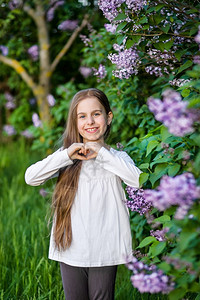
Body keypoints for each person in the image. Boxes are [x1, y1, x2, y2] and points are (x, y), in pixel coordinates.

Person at [25, 88, 142, 300]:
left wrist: (103, 154)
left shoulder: (117, 157)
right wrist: (65, 155)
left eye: (96, 114)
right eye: (82, 116)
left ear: (108, 118)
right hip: (71, 247)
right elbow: (31, 178)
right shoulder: (67, 156)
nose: (90, 121)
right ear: (75, 121)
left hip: (105, 249)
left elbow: (138, 180)